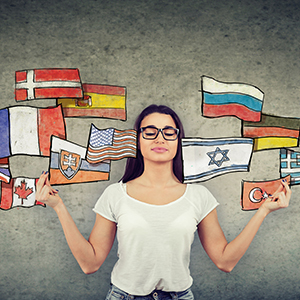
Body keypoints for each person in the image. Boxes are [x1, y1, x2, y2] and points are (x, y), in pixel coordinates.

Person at [36, 104, 291, 300]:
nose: (160, 138)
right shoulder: (115, 194)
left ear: (178, 141)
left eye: (169, 132)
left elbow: (225, 261)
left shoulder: (199, 196)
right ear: (138, 139)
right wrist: (59, 207)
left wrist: (263, 211)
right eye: (150, 131)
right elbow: (90, 263)